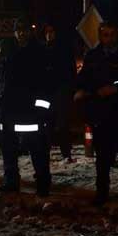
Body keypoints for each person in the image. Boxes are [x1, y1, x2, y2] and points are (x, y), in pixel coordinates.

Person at [74, 22, 118, 208]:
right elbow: (84, 78)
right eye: (104, 35)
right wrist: (81, 90)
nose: (108, 39)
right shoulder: (94, 56)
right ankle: (101, 191)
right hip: (102, 114)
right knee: (103, 157)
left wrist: (116, 88)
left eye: (111, 34)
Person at [0, 18, 54, 196]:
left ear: (30, 31)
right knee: (8, 148)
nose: (21, 33)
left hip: (30, 111)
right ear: (14, 32)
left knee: (37, 148)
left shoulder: (39, 52)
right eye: (18, 30)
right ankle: (11, 180)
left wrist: (41, 109)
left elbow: (46, 84)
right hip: (8, 109)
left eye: (25, 30)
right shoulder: (6, 52)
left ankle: (43, 182)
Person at [43, 24, 77, 163]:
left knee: (62, 123)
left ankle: (66, 152)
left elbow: (71, 70)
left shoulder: (63, 49)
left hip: (61, 90)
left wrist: (70, 88)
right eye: (47, 32)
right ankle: (45, 151)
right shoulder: (42, 49)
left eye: (52, 31)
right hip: (46, 92)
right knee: (47, 122)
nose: (49, 34)